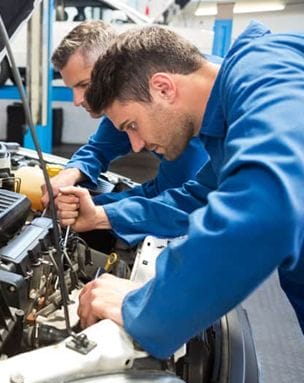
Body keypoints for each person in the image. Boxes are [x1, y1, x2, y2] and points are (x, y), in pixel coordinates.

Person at [56, 22, 304, 359]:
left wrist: (143, 308)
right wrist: (101, 215)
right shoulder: (227, 124)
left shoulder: (265, 72)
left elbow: (265, 209)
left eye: (131, 125)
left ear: (163, 88)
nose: (136, 144)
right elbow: (196, 199)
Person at [42, 21, 208, 210]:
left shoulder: (180, 111)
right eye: (72, 88)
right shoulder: (127, 104)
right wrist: (72, 172)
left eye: (84, 84)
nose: (77, 100)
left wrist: (95, 209)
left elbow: (173, 198)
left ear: (112, 69)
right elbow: (99, 148)